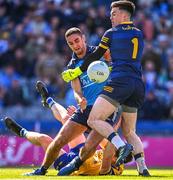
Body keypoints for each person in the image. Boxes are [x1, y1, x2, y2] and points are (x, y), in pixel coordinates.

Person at [21, 28, 128, 176]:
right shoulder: (72, 66)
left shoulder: (100, 52)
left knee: (96, 144)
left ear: (84, 38)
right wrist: (80, 100)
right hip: (87, 109)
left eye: (77, 41)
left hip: (105, 107)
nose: (75, 45)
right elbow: (77, 90)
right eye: (71, 43)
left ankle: (110, 168)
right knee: (59, 140)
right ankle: (42, 170)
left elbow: (116, 66)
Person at [60, 1, 150, 176]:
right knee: (130, 131)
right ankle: (143, 170)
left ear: (124, 15)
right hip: (137, 84)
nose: (111, 16)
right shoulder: (139, 34)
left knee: (94, 120)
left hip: (120, 82)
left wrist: (76, 71)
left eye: (114, 13)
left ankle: (122, 146)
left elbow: (95, 55)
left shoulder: (111, 33)